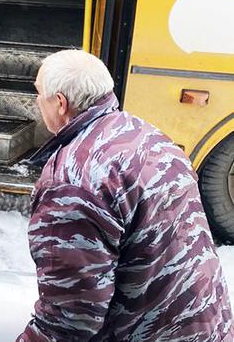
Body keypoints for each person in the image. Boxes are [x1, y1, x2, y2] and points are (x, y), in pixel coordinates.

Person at [17, 49, 232, 341]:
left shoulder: (71, 184)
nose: (36, 102)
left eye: (38, 94)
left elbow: (70, 318)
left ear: (59, 103)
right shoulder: (145, 135)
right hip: (208, 325)